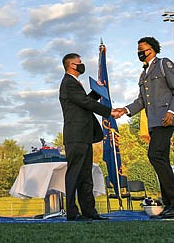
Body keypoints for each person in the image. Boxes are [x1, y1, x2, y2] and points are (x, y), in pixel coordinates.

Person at [112, 36, 174, 219]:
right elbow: (141, 101)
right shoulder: (144, 73)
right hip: (154, 122)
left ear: (152, 49)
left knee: (154, 155)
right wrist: (125, 110)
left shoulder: (164, 64)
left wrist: (172, 112)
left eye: (142, 49)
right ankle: (171, 205)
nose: (139, 52)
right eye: (138, 49)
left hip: (166, 119)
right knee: (161, 158)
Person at [59, 53, 112, 221]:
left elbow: (84, 101)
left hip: (84, 136)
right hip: (75, 136)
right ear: (71, 66)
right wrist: (110, 112)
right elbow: (86, 104)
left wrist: (97, 91)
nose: (82, 65)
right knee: (74, 174)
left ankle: (89, 211)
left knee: (85, 175)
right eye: (79, 63)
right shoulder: (68, 83)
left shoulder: (74, 84)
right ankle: (72, 213)